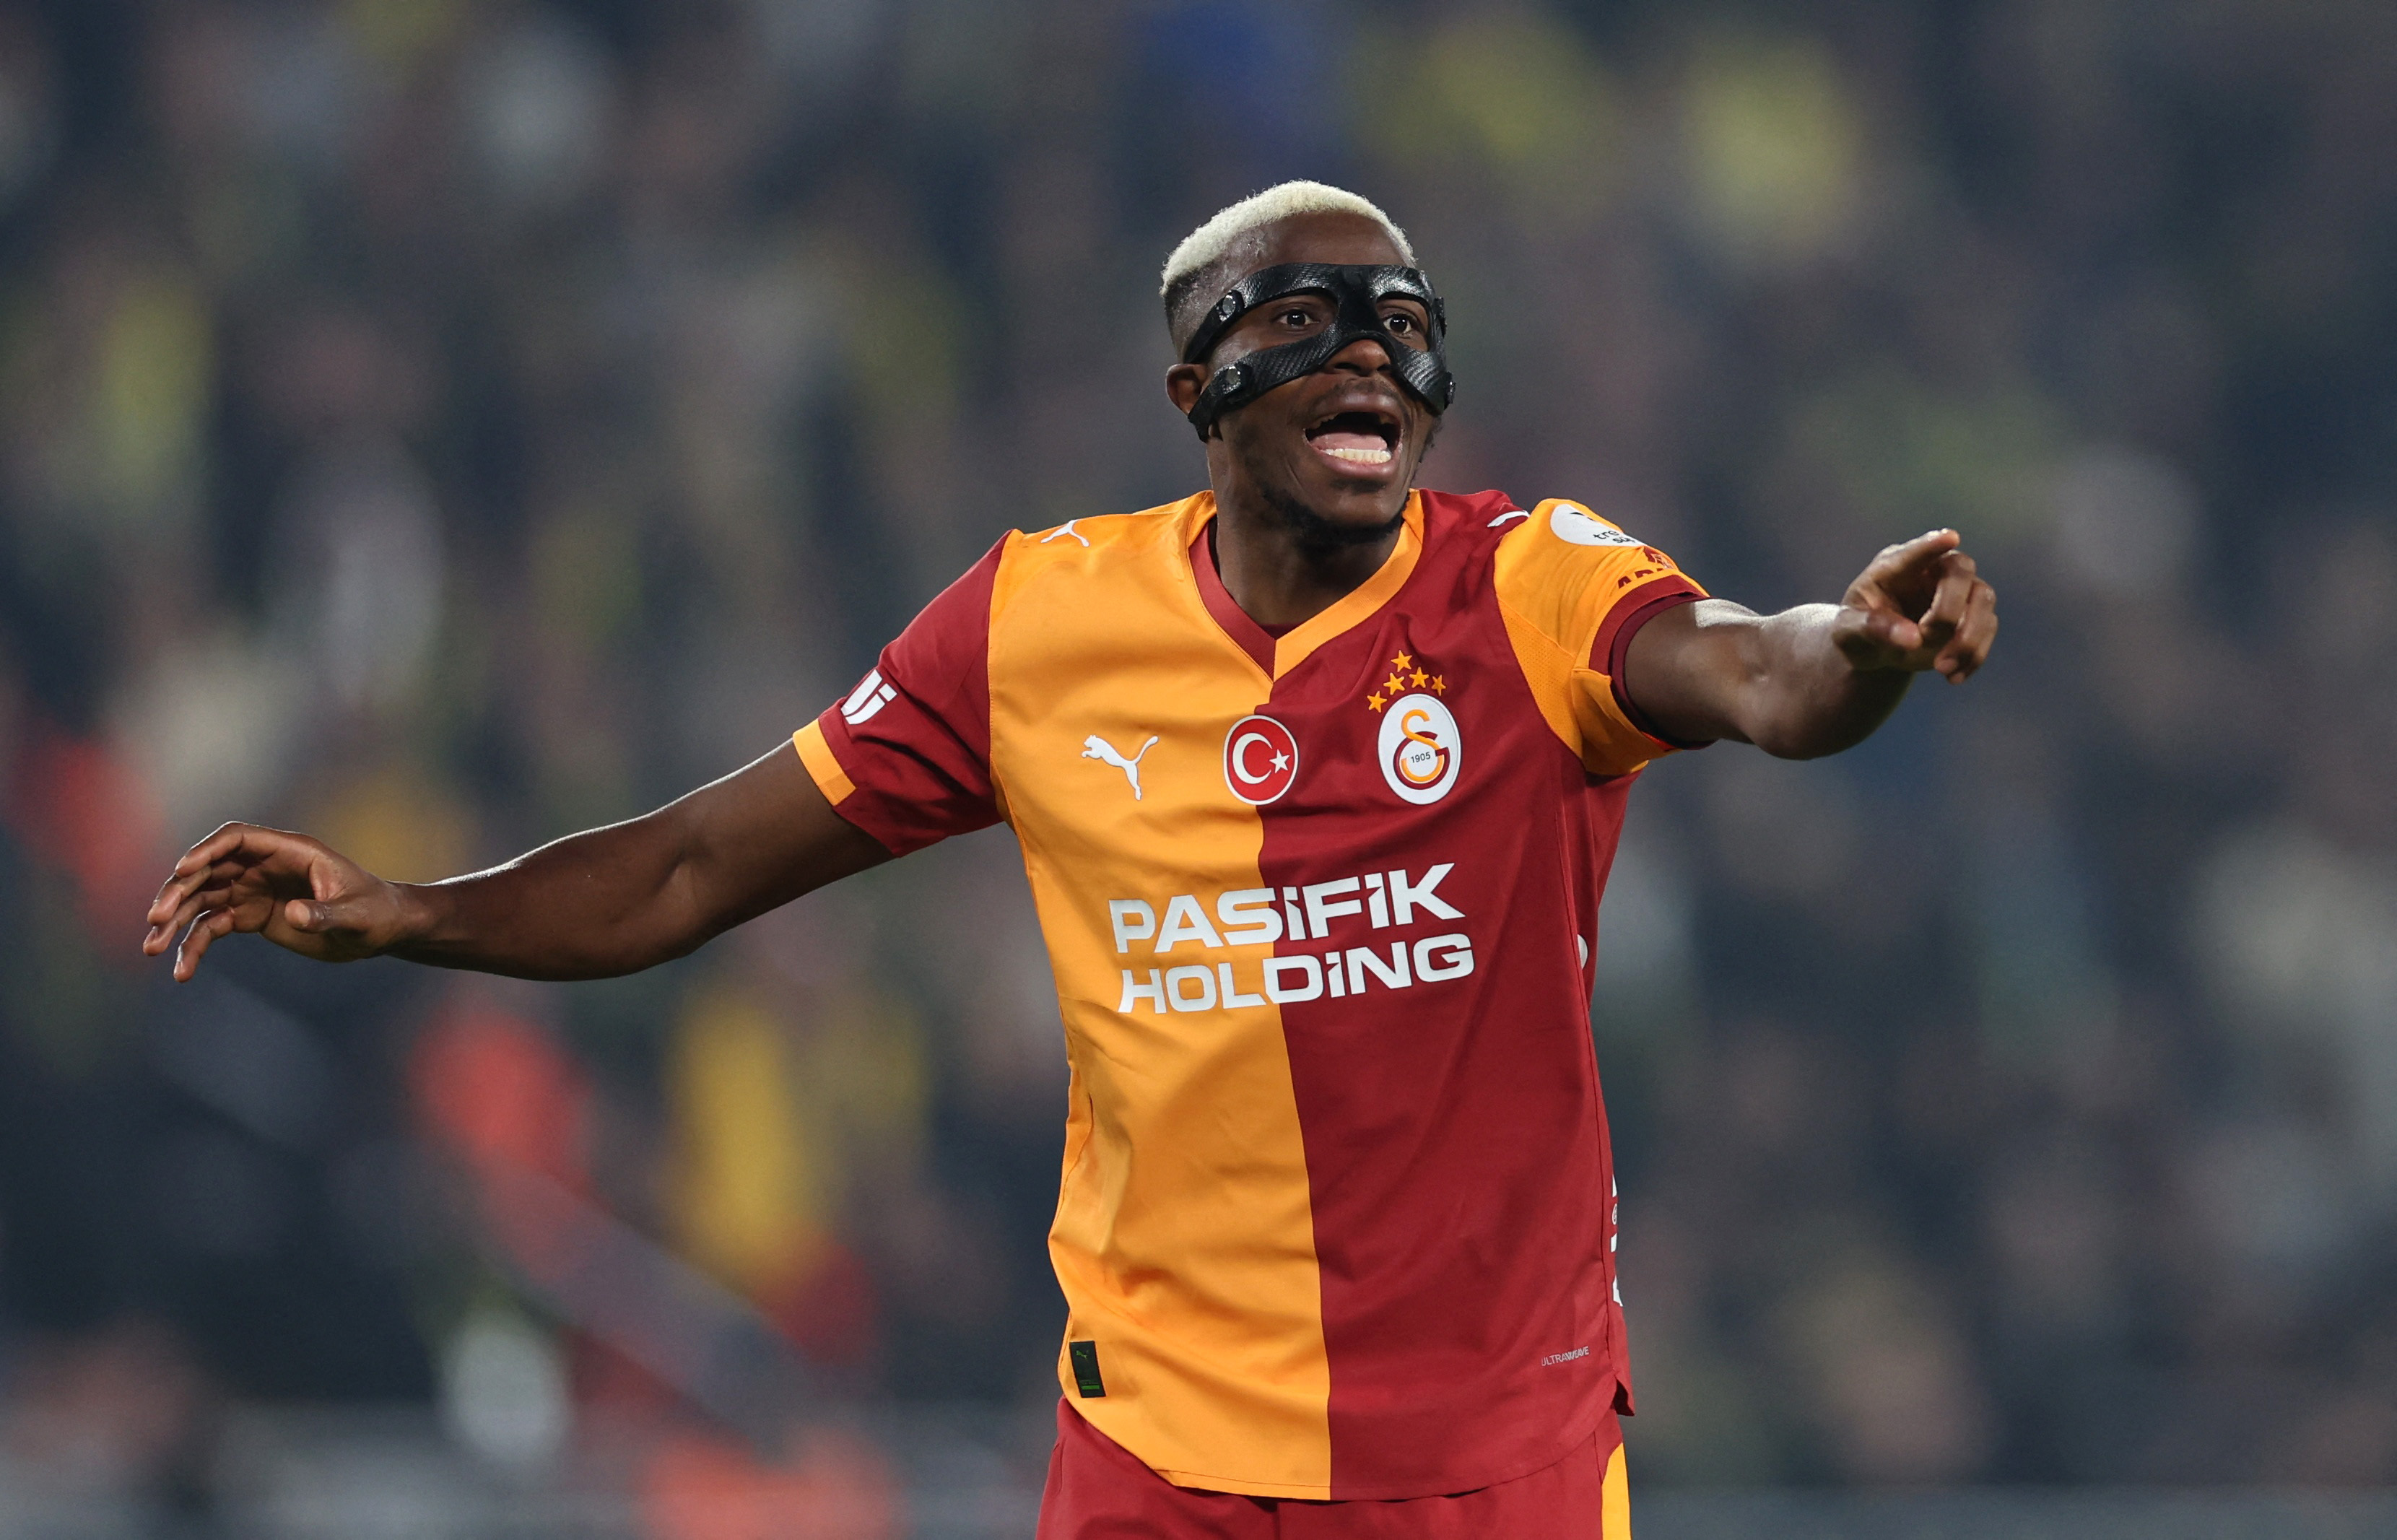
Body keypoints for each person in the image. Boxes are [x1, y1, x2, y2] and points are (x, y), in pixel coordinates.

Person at [144, 181, 1995, 1536]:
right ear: (1198, 391)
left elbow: (1760, 675)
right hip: (1159, 1456)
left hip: (1486, 1457)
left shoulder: (1529, 585)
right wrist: (408, 910)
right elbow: (696, 864)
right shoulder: (1035, 623)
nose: (1368, 347)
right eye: (1307, 316)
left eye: (1400, 318)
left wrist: (1861, 644)